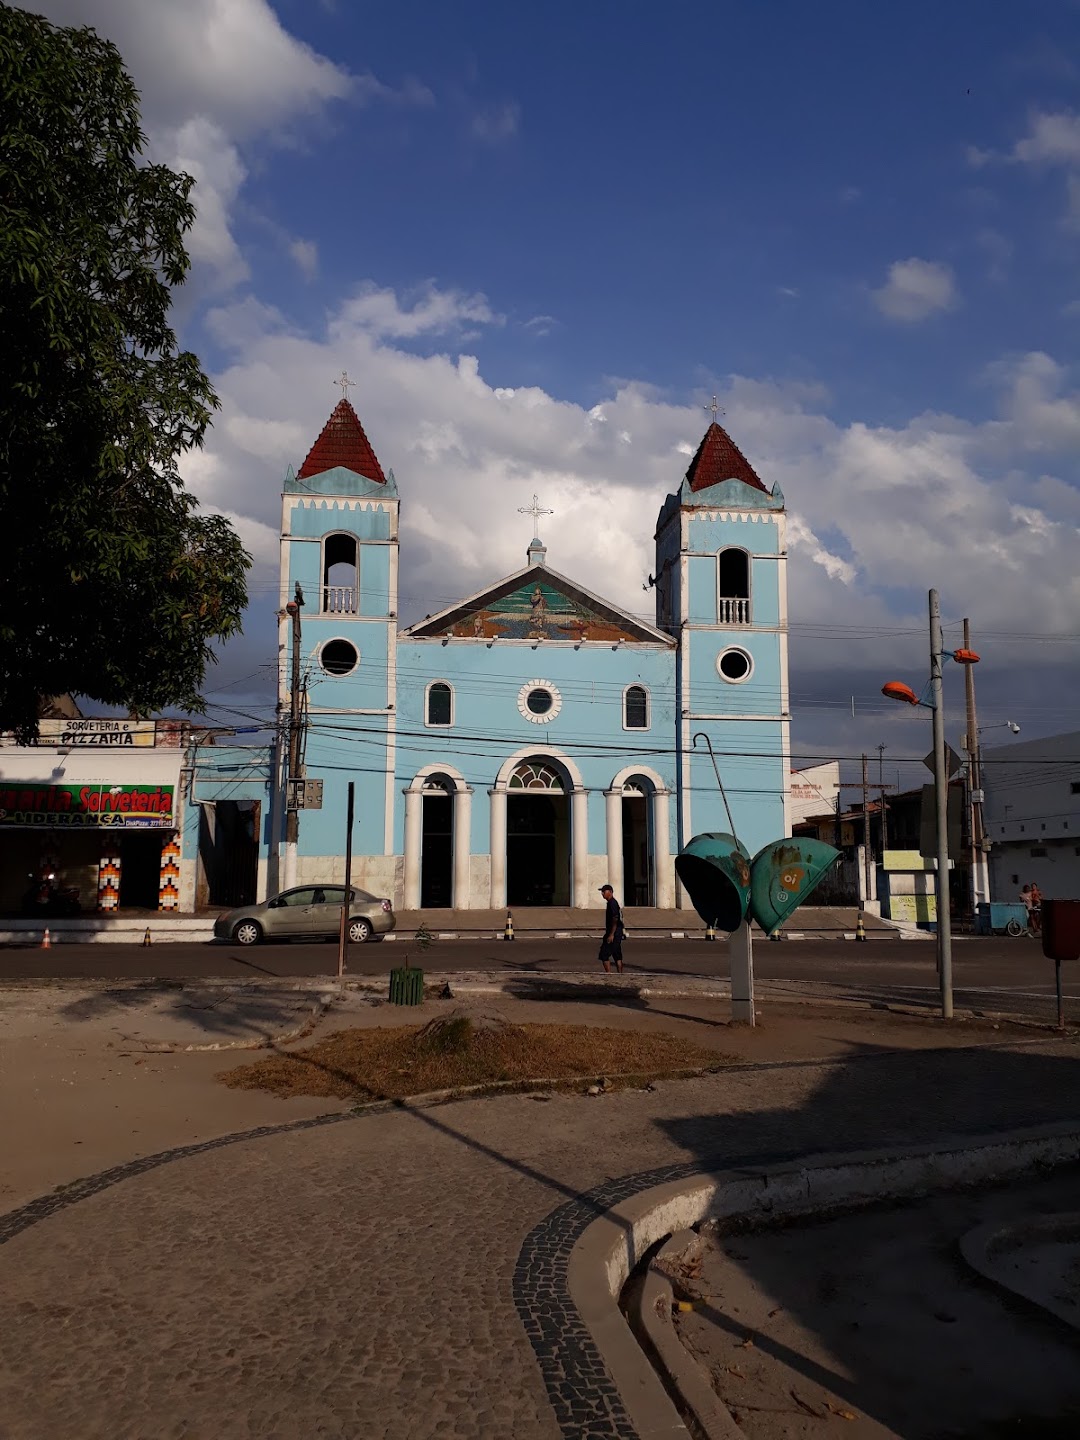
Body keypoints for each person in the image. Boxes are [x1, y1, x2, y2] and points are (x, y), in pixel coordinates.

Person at [598, 884, 624, 974]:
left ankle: (609, 974)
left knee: (604, 954)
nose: (602, 894)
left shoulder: (612, 903)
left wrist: (611, 934)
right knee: (617, 954)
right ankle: (620, 974)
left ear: (610, 892)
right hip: (616, 932)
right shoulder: (611, 903)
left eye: (604, 892)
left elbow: (615, 918)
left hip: (613, 933)